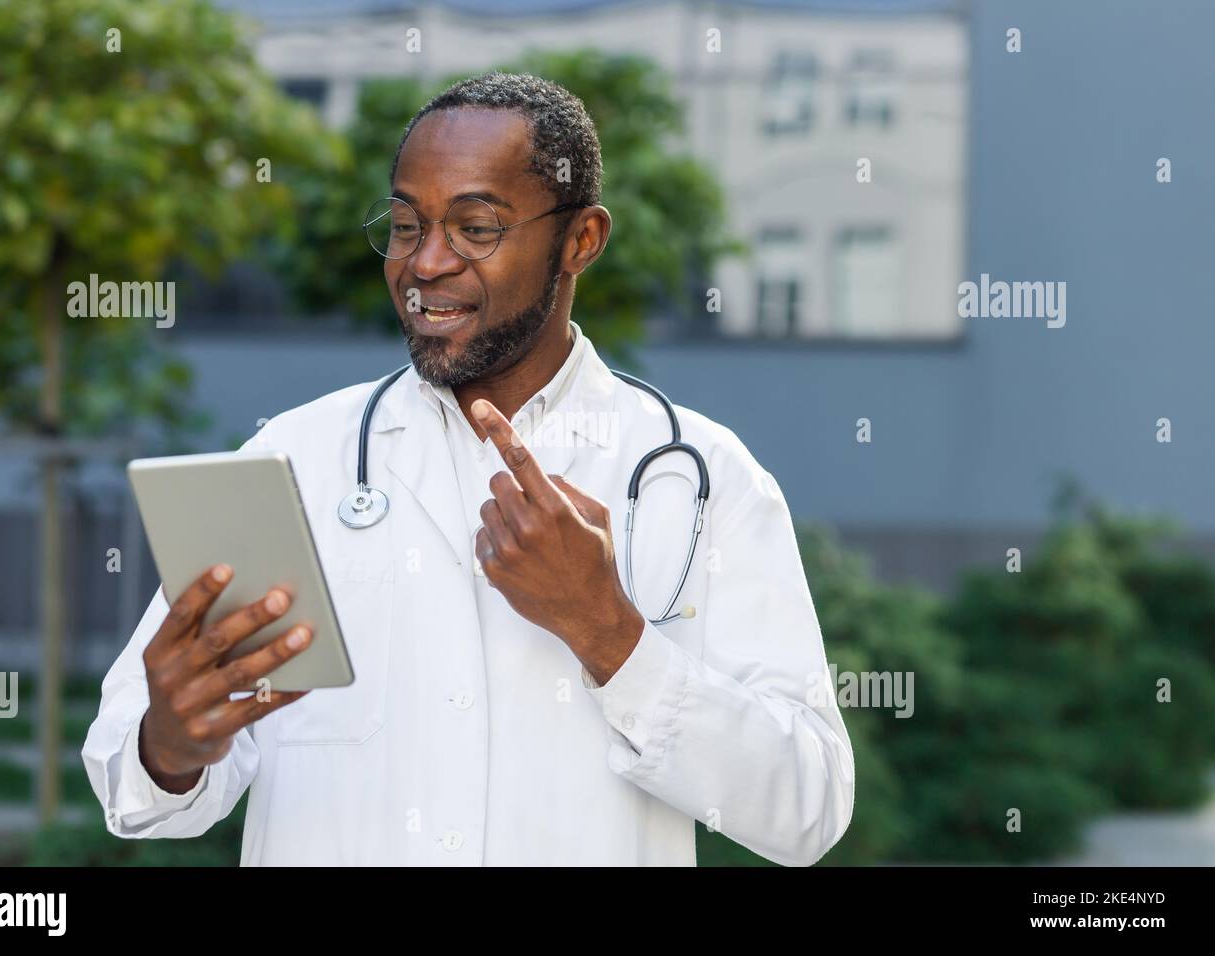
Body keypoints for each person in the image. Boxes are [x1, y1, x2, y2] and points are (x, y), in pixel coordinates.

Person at [82, 71, 854, 866]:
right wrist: (169, 745)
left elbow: (807, 810)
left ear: (581, 240)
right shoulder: (294, 460)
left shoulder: (699, 479)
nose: (426, 264)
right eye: (408, 225)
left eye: (475, 227)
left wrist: (608, 631)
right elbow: (134, 792)